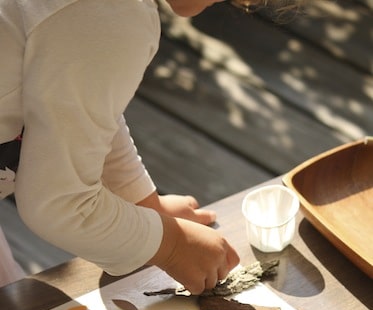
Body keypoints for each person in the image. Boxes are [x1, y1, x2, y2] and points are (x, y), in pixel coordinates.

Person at [0, 0, 300, 293]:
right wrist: (170, 245)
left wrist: (144, 204)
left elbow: (78, 111)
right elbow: (58, 201)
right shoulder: (109, 14)